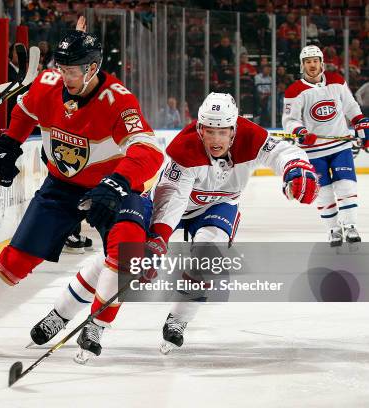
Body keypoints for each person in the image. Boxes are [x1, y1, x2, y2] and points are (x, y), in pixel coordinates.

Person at [28, 92, 319, 359]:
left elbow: (282, 151)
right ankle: (61, 313)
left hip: (220, 204)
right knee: (120, 257)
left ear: (234, 130)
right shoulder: (185, 146)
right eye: (209, 131)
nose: (216, 139)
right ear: (200, 128)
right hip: (172, 205)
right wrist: (158, 239)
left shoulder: (251, 137)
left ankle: (178, 319)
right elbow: (173, 199)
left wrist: (297, 169)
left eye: (222, 132)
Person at [0, 30, 164, 360]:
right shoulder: (47, 83)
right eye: (61, 68)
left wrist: (118, 182)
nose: (65, 76)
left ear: (92, 68)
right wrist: (8, 146)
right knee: (17, 258)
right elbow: (24, 111)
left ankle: (95, 326)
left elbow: (150, 152)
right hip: (62, 185)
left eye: (72, 70)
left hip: (112, 188)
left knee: (126, 252)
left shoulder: (118, 100)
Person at [282, 45, 368, 246]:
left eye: (315, 61)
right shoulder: (294, 90)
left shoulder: (337, 80)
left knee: (346, 185)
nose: (312, 65)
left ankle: (350, 226)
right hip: (313, 150)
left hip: (340, 144)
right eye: (307, 62)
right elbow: (289, 120)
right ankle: (333, 229)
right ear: (302, 65)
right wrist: (300, 132)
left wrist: (360, 123)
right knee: (324, 191)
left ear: (321, 63)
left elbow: (350, 106)